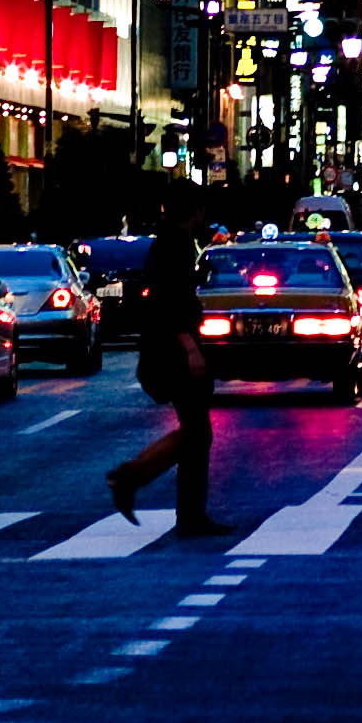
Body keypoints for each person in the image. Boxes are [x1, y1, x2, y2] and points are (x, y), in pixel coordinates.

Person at [105, 191, 233, 538]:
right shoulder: (175, 246)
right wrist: (190, 347)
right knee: (197, 432)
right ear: (195, 212)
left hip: (164, 348)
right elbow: (170, 302)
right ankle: (134, 479)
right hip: (173, 350)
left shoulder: (169, 243)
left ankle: (183, 511)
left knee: (196, 433)